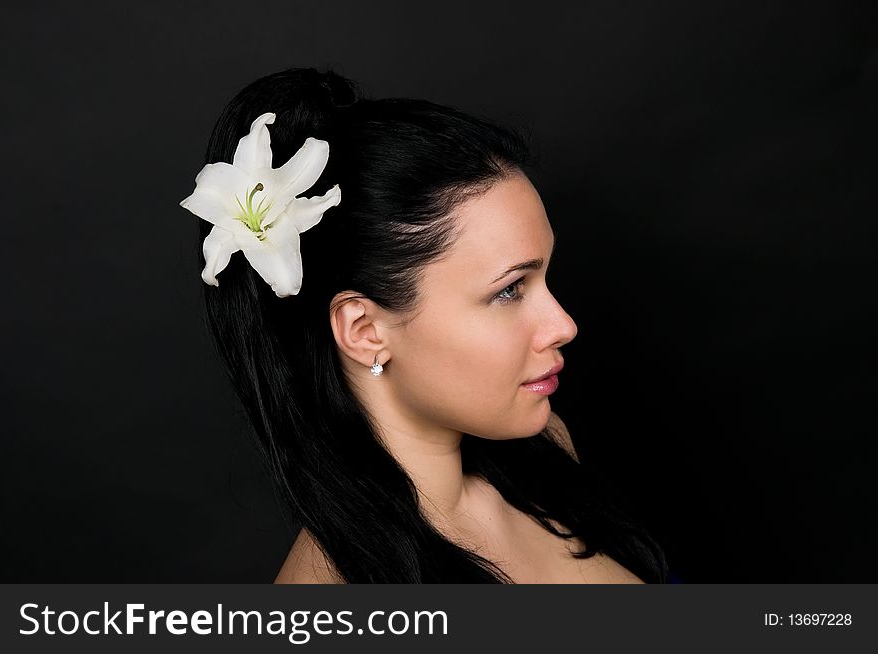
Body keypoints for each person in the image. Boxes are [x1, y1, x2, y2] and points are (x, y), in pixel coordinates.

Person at [180, 67, 668, 583]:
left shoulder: (547, 455)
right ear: (365, 330)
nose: (564, 325)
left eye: (545, 278)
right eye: (508, 290)